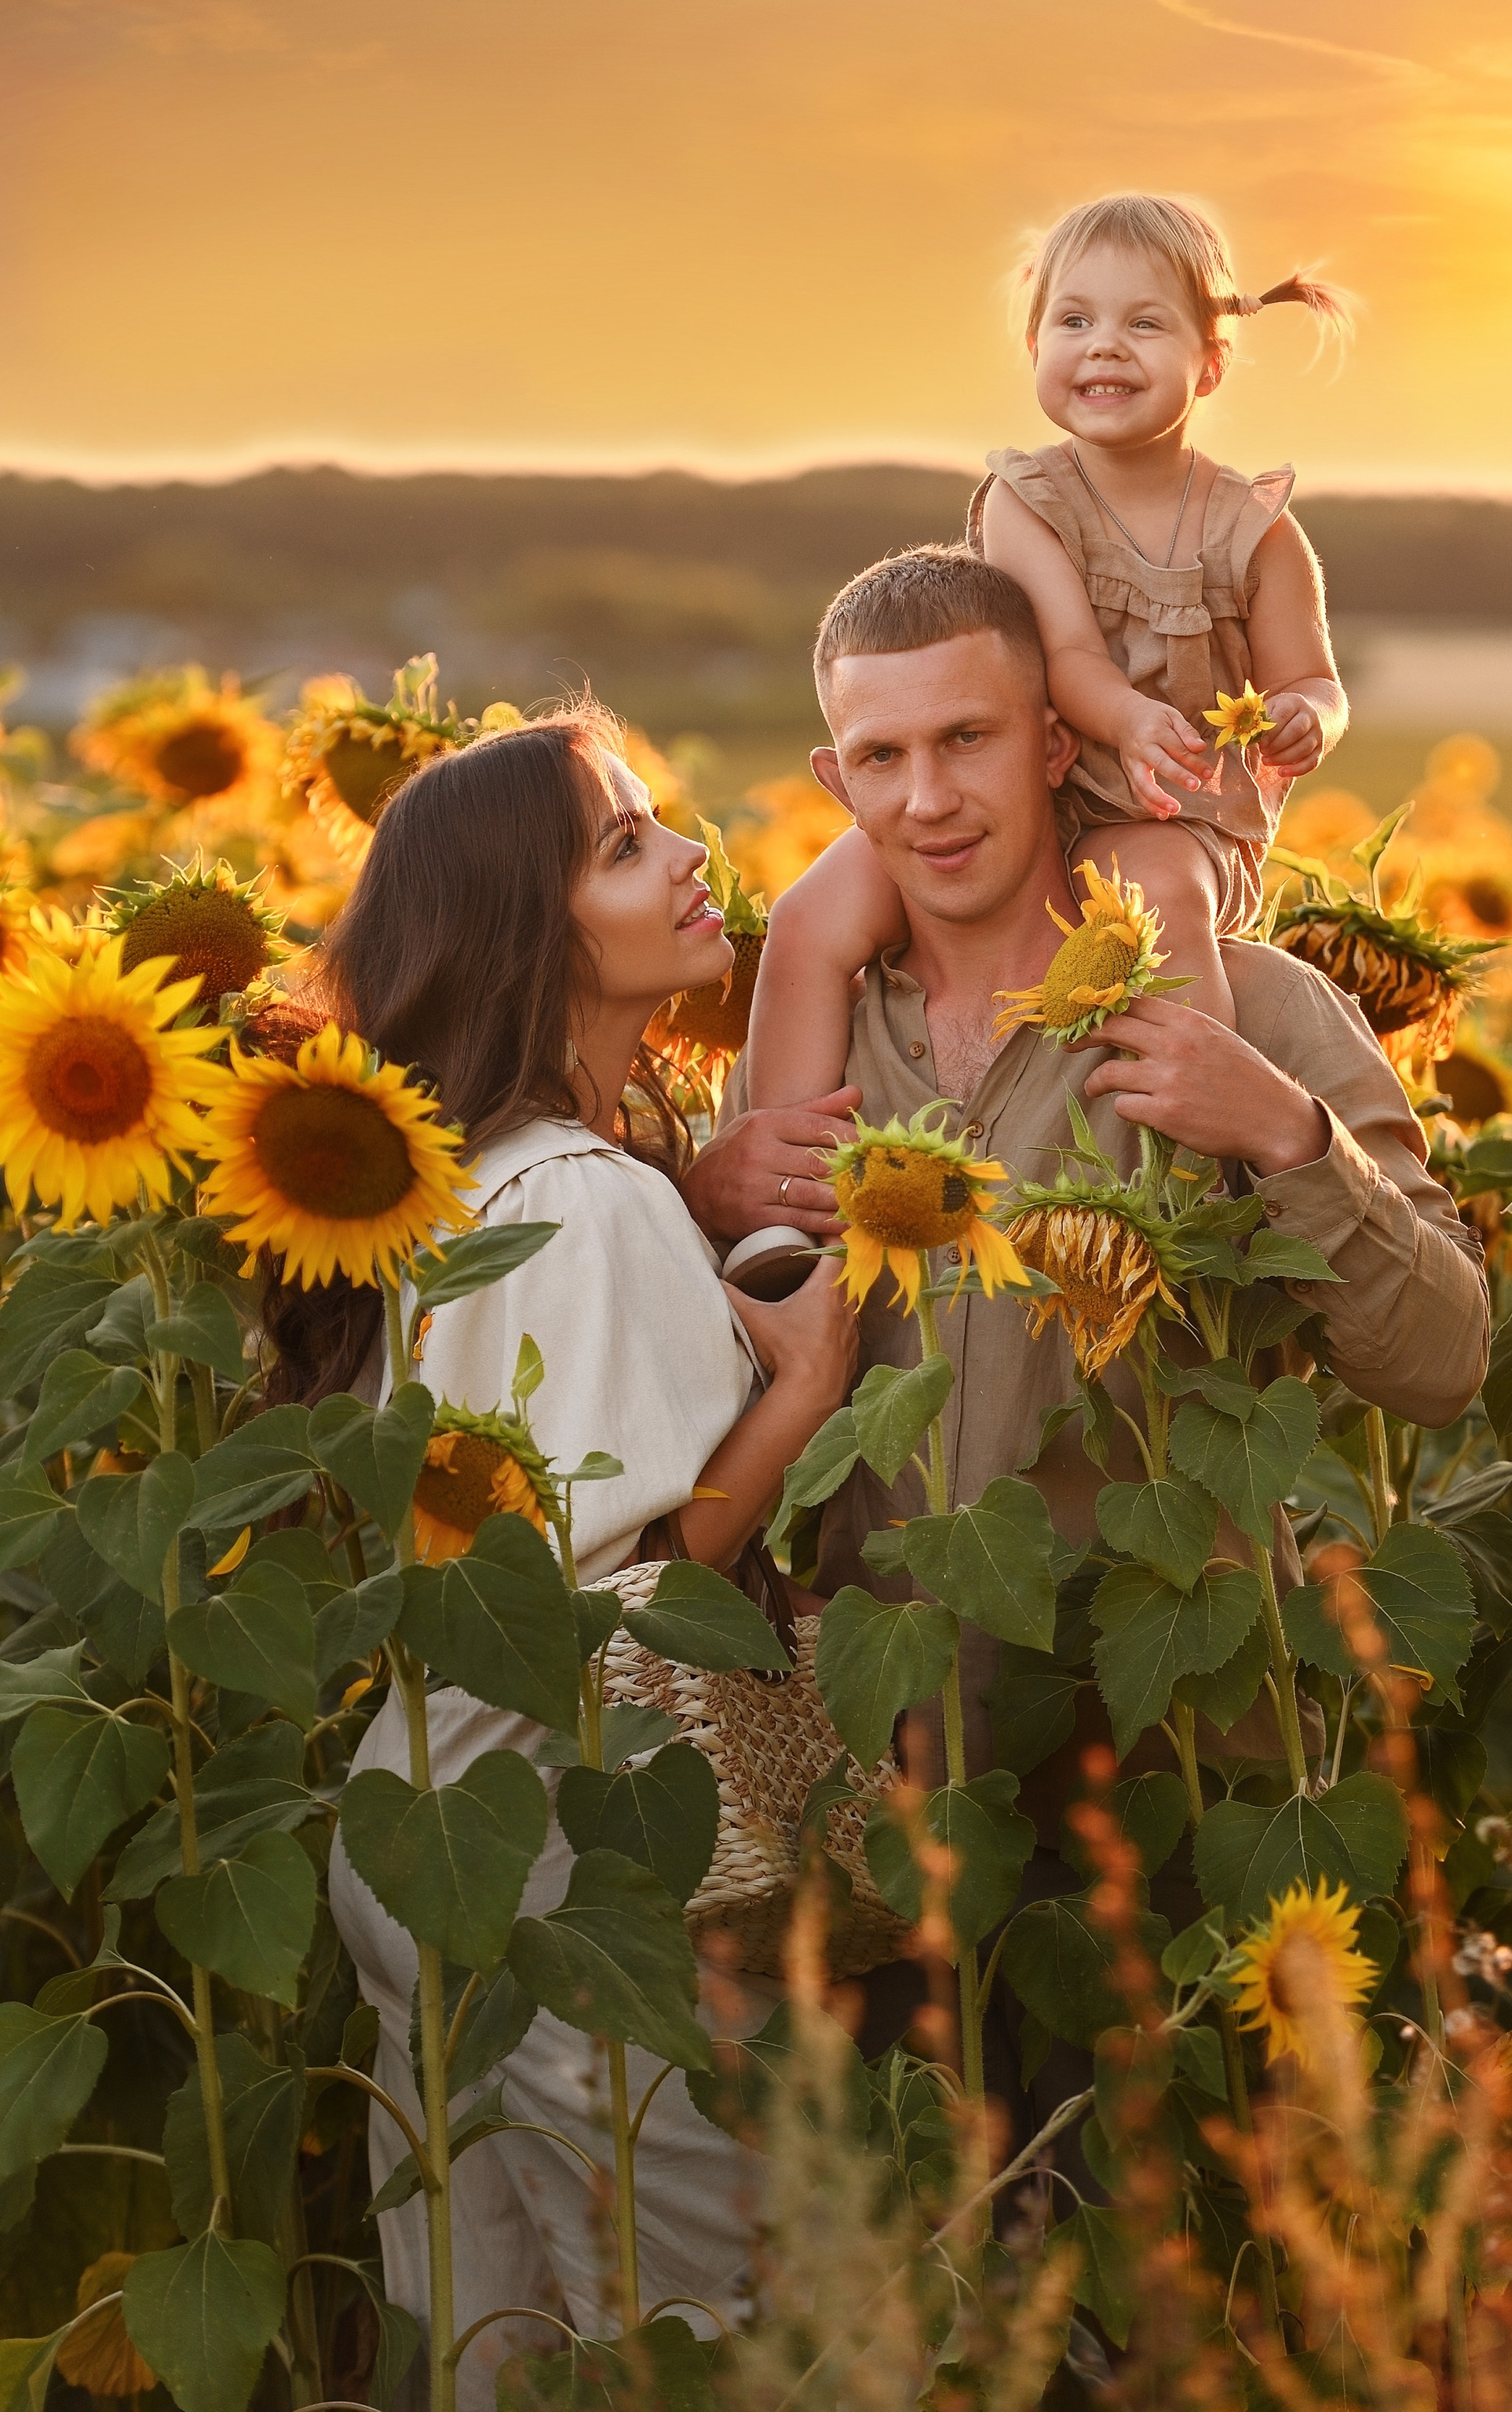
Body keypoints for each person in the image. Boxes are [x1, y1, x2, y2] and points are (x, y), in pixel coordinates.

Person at [278, 704, 856, 2410]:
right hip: (556, 1837)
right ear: (532, 937)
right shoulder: (585, 1197)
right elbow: (645, 1570)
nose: (688, 856)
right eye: (623, 846)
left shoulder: (471, 1184)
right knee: (695, 2328)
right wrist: (811, 1376)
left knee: (489, 2337)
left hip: (421, 1818)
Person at [685, 546, 1488, 1705]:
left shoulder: (1254, 1007)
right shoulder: (807, 1058)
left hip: (1185, 1756)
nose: (927, 800)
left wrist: (1287, 1134)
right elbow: (712, 1426)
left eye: (968, 738)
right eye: (882, 757)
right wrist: (701, 1208)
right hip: (900, 1777)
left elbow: (1443, 1366)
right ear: (837, 782)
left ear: (1057, 743)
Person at [743, 191, 1350, 1106]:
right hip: (1016, 790)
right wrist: (1131, 716)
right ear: (1035, 348)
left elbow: (1312, 676)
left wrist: (1309, 716)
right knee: (807, 917)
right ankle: (782, 1171)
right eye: (1074, 320)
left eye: (1144, 323)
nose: (1103, 344)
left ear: (1211, 363)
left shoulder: (1256, 532)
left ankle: (1197, 1146)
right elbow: (1066, 656)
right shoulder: (1026, 499)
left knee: (1158, 908)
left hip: (1161, 815)